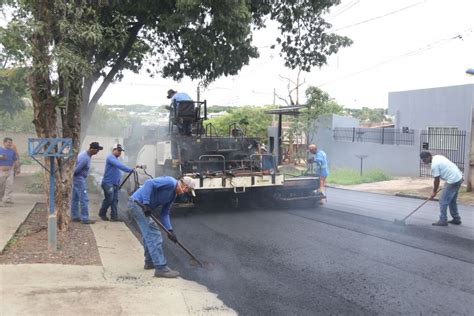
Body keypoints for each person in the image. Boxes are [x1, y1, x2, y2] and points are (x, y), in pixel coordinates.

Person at [128, 176, 196, 278]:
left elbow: (165, 213)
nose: (185, 192)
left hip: (142, 207)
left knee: (149, 234)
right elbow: (149, 183)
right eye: (186, 188)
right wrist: (146, 203)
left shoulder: (172, 196)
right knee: (154, 234)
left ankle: (149, 262)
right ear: (181, 183)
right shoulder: (170, 182)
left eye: (187, 191)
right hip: (137, 204)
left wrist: (170, 231)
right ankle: (161, 268)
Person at [420, 151, 464, 226]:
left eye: (424, 160)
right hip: (458, 178)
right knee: (452, 200)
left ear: (429, 156)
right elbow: (451, 165)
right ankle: (456, 219)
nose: (424, 162)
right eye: (422, 160)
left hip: (453, 180)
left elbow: (436, 180)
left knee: (443, 200)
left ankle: (443, 220)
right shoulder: (438, 156)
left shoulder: (434, 165)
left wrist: (434, 192)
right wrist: (460, 175)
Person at [99, 144, 134, 221]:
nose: (119, 152)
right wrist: (130, 169)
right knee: (109, 199)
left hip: (114, 184)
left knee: (115, 200)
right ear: (113, 150)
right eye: (118, 150)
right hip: (108, 183)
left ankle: (114, 217)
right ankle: (102, 213)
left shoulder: (116, 159)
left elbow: (118, 170)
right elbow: (120, 166)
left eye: (120, 151)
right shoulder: (110, 158)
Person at [71, 142, 103, 224]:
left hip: (76, 179)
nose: (98, 152)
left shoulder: (84, 155)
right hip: (79, 180)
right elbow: (76, 170)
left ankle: (74, 216)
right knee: (84, 199)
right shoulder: (85, 158)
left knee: (75, 198)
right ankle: (85, 218)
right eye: (97, 150)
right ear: (92, 149)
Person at [0, 137, 19, 207]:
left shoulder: (12, 151)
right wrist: (1, 156)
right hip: (1, 171)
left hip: (10, 171)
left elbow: (15, 160)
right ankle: (0, 200)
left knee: (9, 185)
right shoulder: (0, 149)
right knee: (1, 186)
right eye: (8, 142)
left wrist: (17, 168)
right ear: (4, 142)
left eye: (11, 143)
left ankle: (8, 199)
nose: (10, 144)